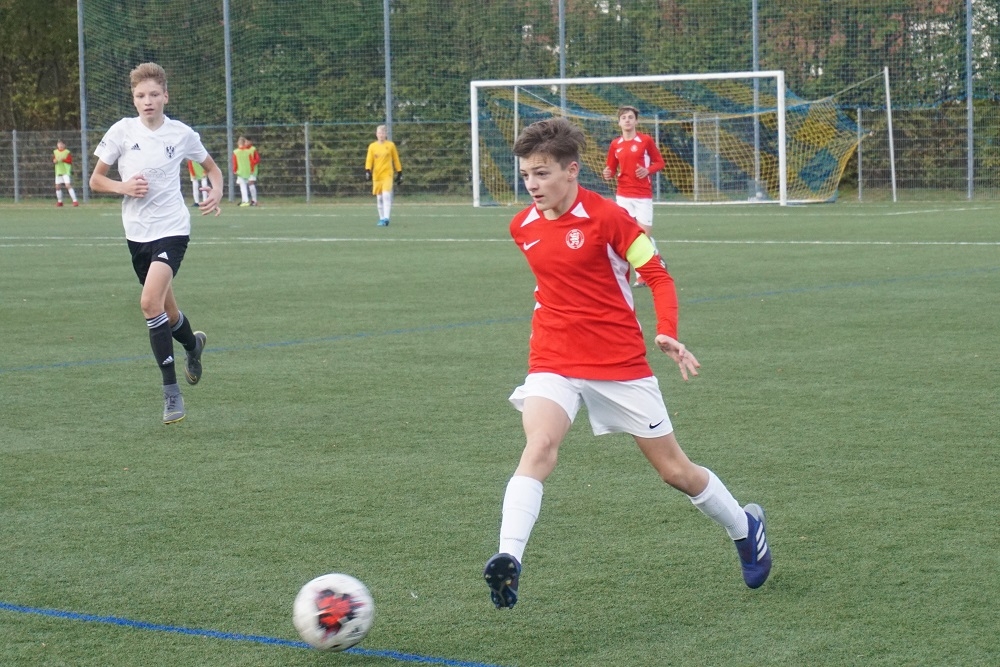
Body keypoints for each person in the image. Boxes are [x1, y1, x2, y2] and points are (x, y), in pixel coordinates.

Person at [483, 118, 771, 610]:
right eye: (526, 174)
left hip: (619, 363)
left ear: (572, 170)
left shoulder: (611, 219)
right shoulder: (522, 226)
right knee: (540, 445)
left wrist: (667, 329)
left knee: (676, 472)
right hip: (553, 357)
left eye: (542, 173)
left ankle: (746, 529)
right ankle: (509, 559)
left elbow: (657, 275)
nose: (532, 184)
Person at [89, 62, 223, 425]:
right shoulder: (121, 131)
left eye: (153, 94)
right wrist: (123, 187)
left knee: (149, 303)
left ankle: (171, 393)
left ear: (166, 96)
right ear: (133, 99)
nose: (147, 101)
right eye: (140, 95)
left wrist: (216, 190)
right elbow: (96, 180)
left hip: (172, 229)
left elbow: (212, 169)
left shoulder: (181, 134)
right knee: (168, 312)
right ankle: (193, 345)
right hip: (137, 235)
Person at [602, 106, 665, 287]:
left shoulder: (645, 141)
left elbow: (660, 162)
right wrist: (607, 173)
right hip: (623, 195)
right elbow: (611, 168)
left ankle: (655, 256)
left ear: (636, 121)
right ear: (619, 122)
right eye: (624, 118)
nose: (627, 120)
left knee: (643, 236)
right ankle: (641, 276)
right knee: (628, 236)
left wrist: (647, 170)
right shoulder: (615, 144)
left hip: (643, 195)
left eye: (630, 117)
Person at [364, 124, 402, 226]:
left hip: (387, 174)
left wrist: (399, 172)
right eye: (379, 133)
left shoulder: (391, 145)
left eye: (383, 133)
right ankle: (381, 218)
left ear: (386, 134)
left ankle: (386, 218)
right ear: (376, 134)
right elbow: (369, 160)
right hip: (377, 175)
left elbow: (396, 159)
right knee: (379, 198)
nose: (381, 135)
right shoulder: (372, 146)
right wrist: (368, 171)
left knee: (386, 195)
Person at [232, 136, 260, 206]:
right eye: (246, 141)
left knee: (250, 184)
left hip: (250, 171)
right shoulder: (239, 151)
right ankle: (244, 200)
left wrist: (252, 165)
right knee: (243, 185)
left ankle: (253, 200)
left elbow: (257, 160)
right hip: (245, 170)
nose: (247, 143)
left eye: (248, 141)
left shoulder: (252, 149)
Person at [53, 140, 79, 207]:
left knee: (68, 185)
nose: (60, 146)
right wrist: (55, 161)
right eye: (59, 144)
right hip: (58, 171)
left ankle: (75, 201)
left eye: (62, 144)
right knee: (57, 187)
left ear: (64, 145)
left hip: (65, 172)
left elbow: (69, 161)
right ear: (57, 145)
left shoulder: (67, 152)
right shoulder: (55, 152)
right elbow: (54, 160)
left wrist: (63, 160)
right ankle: (60, 202)